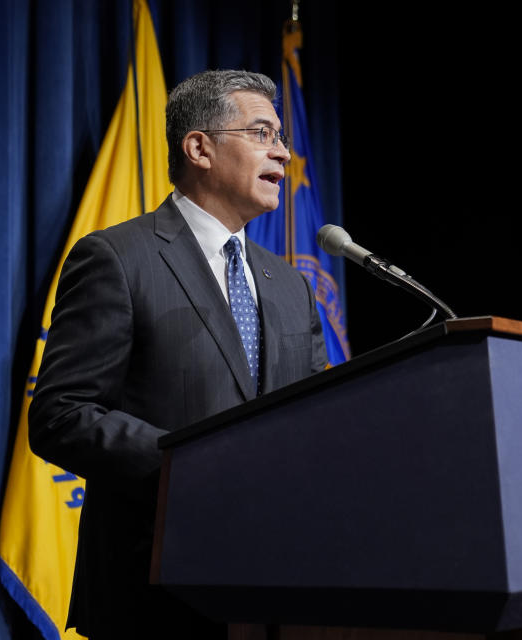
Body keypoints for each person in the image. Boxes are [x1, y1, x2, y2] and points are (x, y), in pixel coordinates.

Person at [29, 70, 329, 639]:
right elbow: (60, 415)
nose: (284, 153)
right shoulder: (117, 258)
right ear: (200, 148)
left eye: (281, 137)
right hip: (155, 593)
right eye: (263, 133)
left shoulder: (292, 285)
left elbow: (310, 419)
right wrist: (192, 466)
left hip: (281, 590)